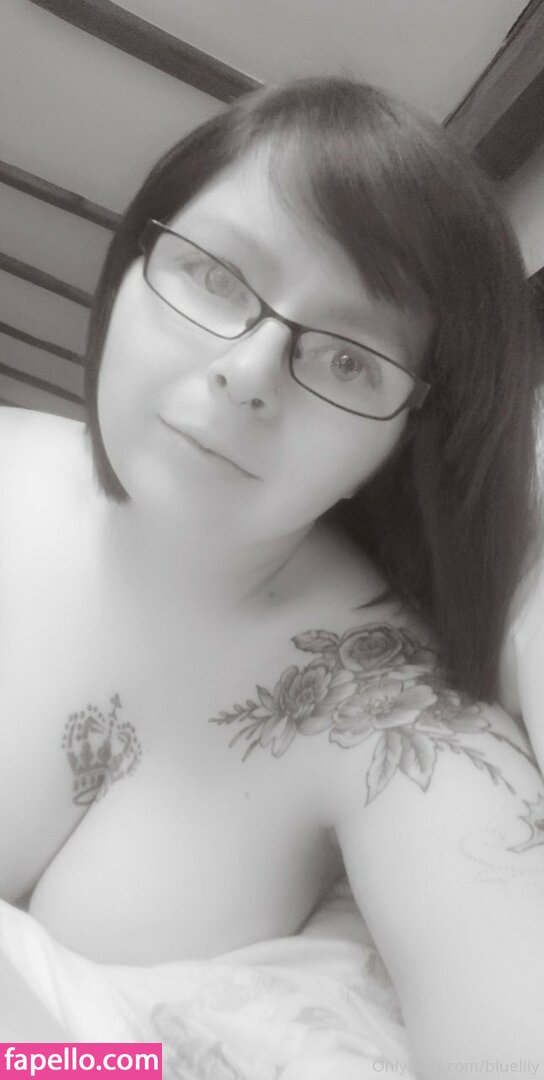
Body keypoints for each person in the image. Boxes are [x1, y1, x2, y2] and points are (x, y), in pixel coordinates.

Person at [1, 77, 544, 1068]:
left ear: (408, 435)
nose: (246, 375)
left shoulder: (395, 717)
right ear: (131, 265)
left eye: (348, 360)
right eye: (213, 275)